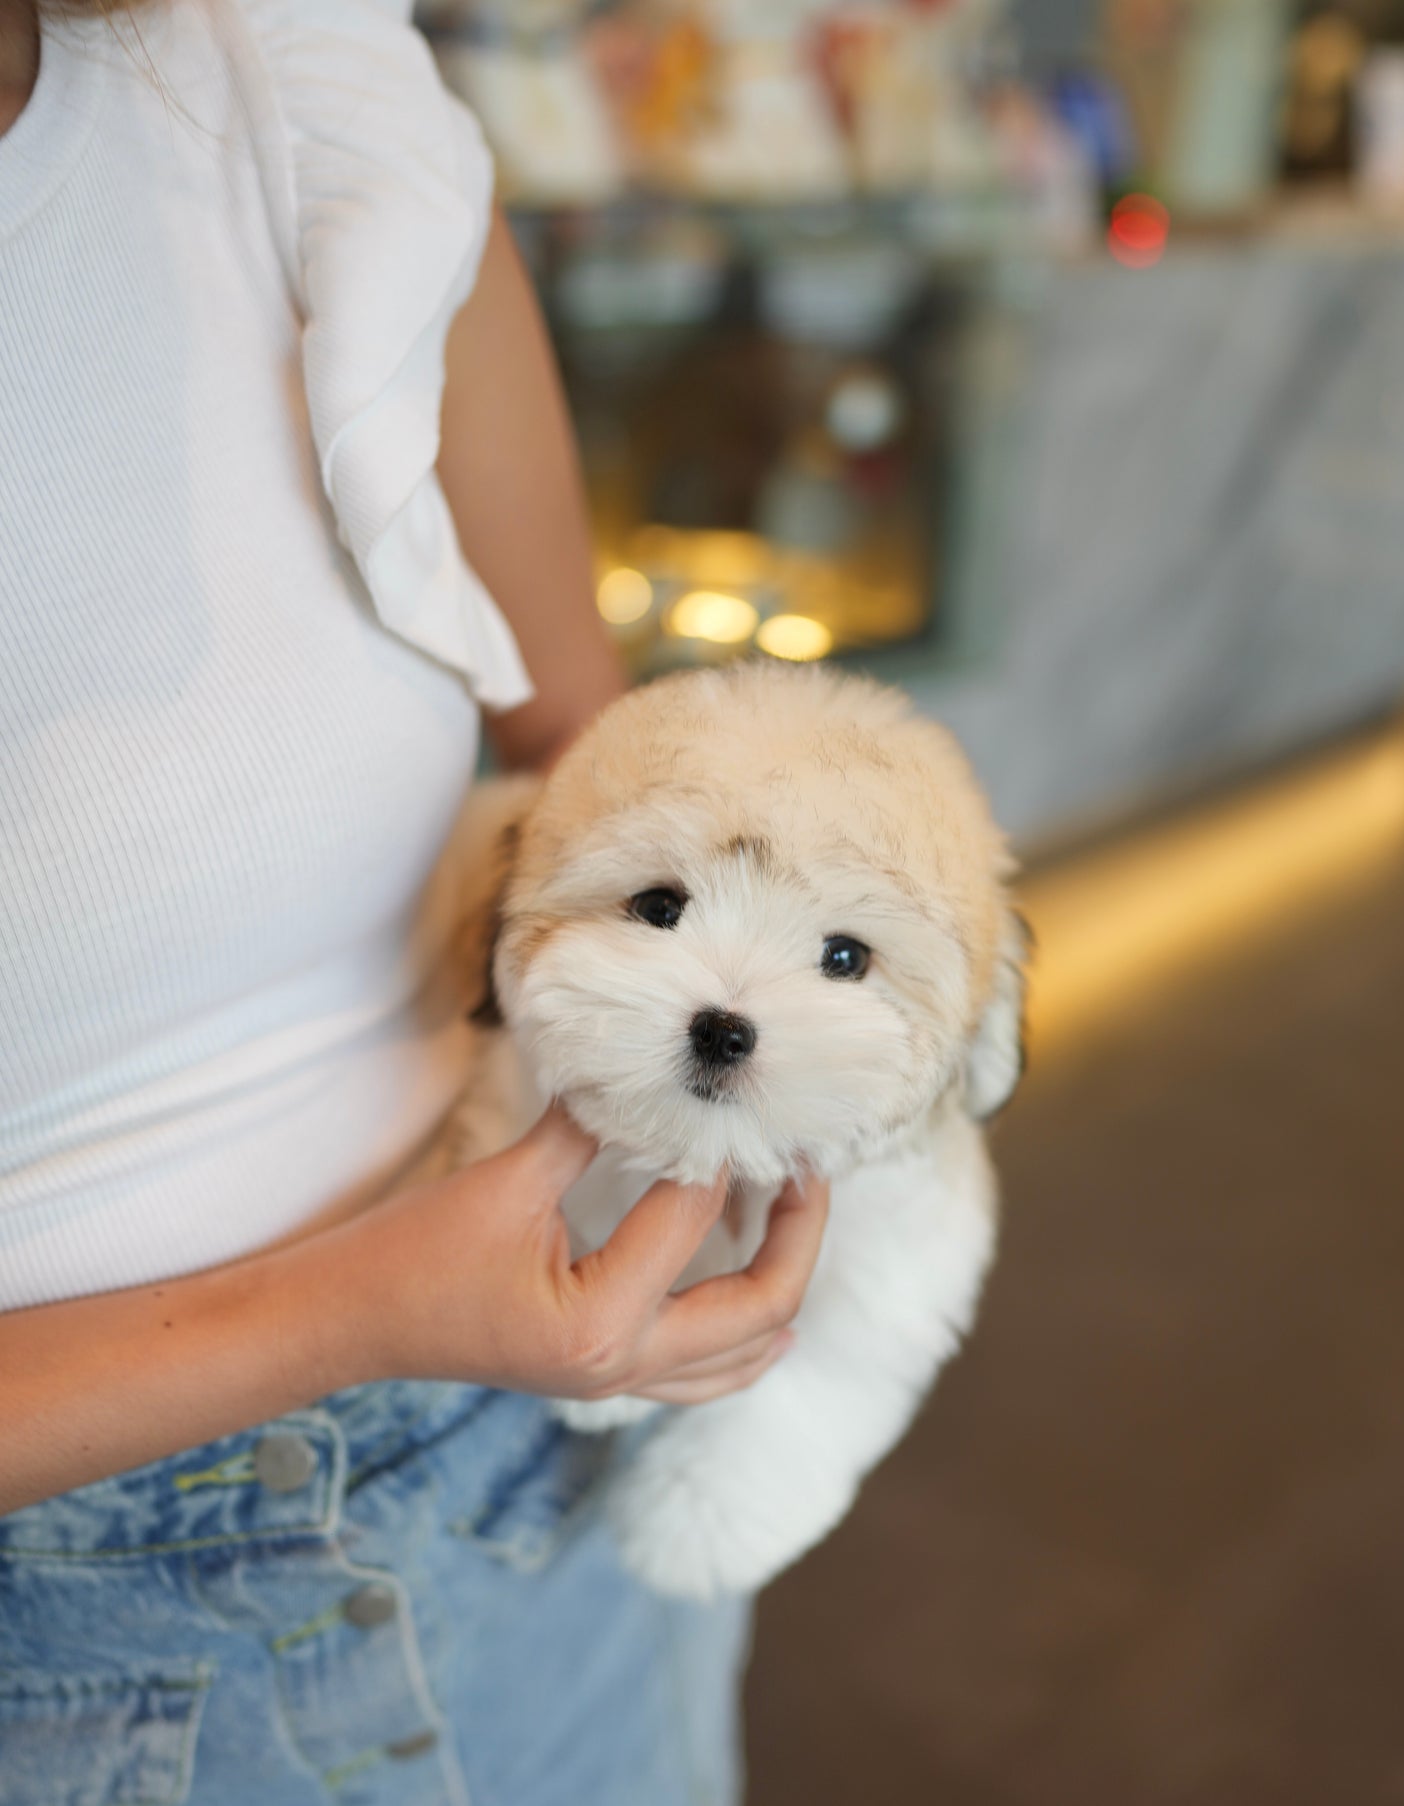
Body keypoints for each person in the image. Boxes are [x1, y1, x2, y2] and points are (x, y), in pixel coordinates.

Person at [0, 2, 829, 1800]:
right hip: (65, 1659)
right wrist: (354, 1310)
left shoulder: (284, 81)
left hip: (542, 1453)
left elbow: (583, 744)